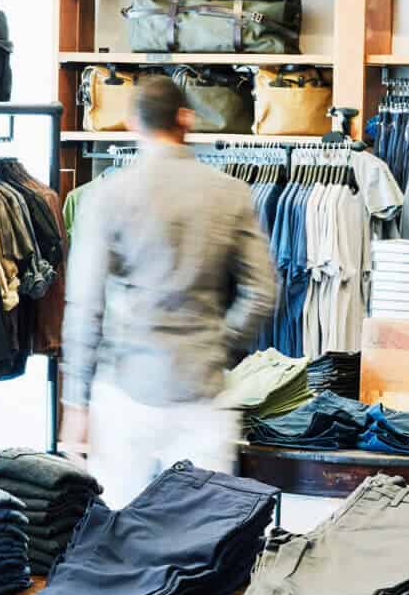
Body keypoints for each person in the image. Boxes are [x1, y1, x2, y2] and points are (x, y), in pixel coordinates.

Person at [59, 74, 278, 507]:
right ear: (186, 120)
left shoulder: (107, 195)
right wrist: (218, 343)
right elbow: (262, 292)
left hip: (125, 388)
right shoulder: (231, 194)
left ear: (132, 125)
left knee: (119, 530)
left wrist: (75, 404)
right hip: (203, 390)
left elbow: (85, 306)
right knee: (203, 539)